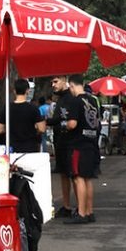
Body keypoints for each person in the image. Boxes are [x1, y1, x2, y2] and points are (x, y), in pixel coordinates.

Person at [64, 74, 101, 224]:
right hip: (91, 143)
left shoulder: (75, 101)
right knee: (87, 178)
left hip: (78, 144)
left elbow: (72, 124)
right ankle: (89, 211)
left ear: (72, 86)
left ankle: (81, 213)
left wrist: (65, 126)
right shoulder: (92, 100)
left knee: (78, 177)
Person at [45, 75, 77, 218]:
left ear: (65, 80)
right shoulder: (60, 99)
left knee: (74, 175)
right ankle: (66, 206)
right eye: (52, 82)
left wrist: (50, 121)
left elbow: (67, 120)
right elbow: (57, 118)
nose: (53, 85)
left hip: (71, 141)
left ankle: (79, 206)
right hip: (60, 141)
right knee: (63, 173)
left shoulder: (71, 98)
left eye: (56, 81)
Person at [0, 78, 46, 153]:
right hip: (30, 147)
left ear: (14, 91)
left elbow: (0, 130)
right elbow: (42, 129)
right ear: (27, 90)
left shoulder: (7, 108)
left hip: (12, 147)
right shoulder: (33, 108)